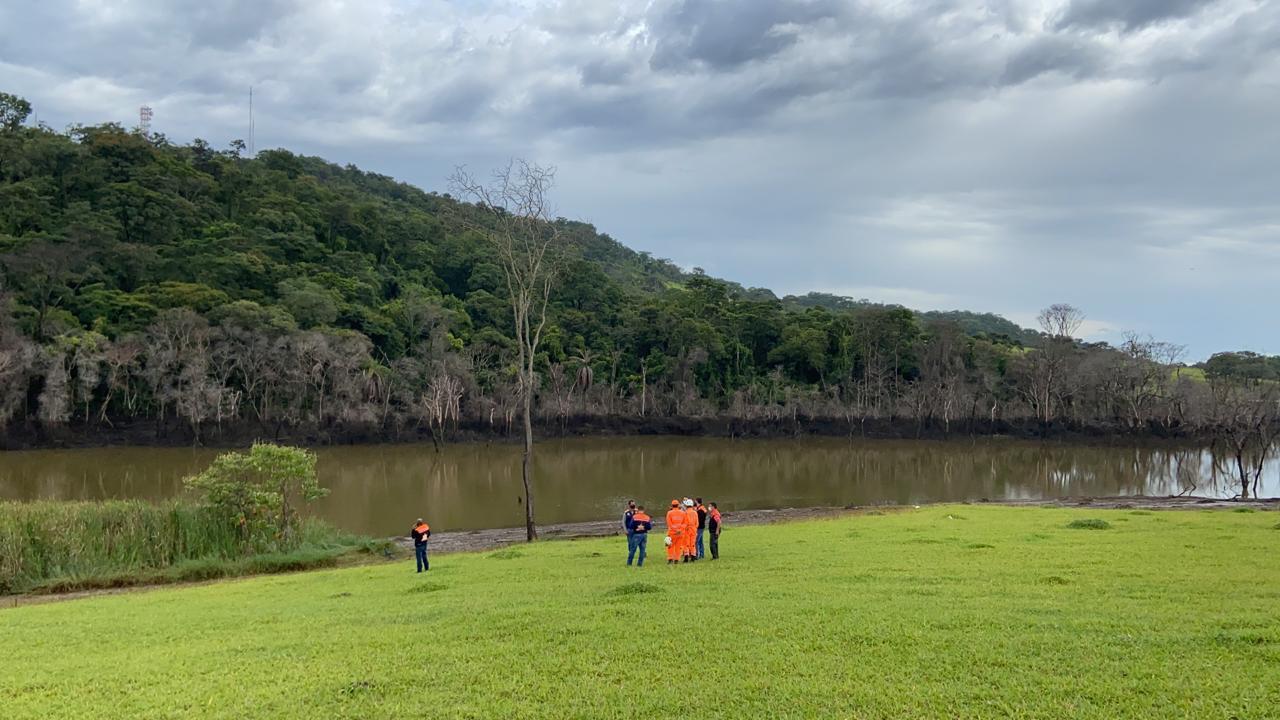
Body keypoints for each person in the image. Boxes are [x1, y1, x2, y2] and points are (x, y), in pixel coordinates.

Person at [665, 499, 687, 565]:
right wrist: (680, 530)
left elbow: (669, 524)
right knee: (678, 546)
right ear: (678, 505)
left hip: (672, 533)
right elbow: (685, 523)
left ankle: (670, 559)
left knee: (670, 546)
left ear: (672, 505)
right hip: (681, 533)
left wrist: (675, 530)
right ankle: (677, 559)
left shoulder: (669, 513)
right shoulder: (683, 513)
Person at [623, 500, 637, 565]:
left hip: (636, 530)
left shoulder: (636, 512)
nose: (633, 505)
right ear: (629, 505)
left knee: (638, 542)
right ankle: (630, 553)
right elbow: (623, 522)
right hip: (629, 529)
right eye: (632, 504)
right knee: (630, 542)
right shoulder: (626, 513)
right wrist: (625, 530)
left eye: (634, 504)